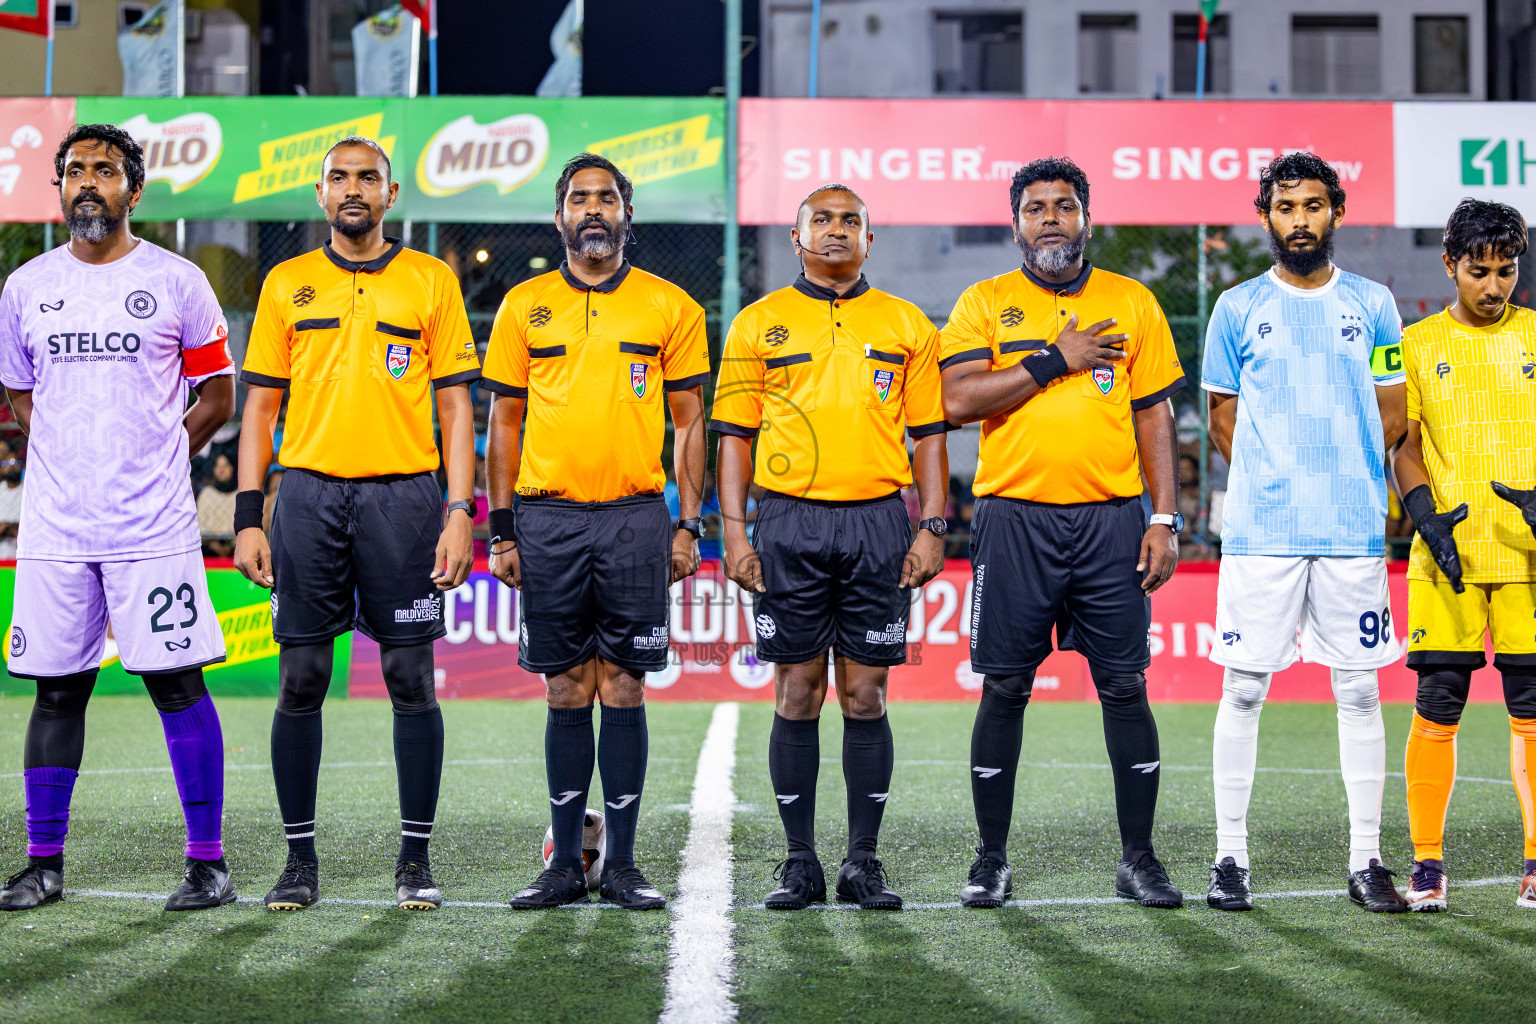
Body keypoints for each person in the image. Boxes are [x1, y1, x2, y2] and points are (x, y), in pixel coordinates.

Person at [234, 135, 480, 912]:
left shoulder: (431, 281)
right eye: (338, 177)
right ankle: (299, 862)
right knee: (301, 678)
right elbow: (260, 409)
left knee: (410, 678)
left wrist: (460, 511)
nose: (352, 189)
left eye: (366, 177)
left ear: (390, 192)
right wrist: (250, 517)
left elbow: (454, 408)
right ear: (319, 193)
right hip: (306, 499)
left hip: (405, 501)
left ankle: (414, 859)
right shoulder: (287, 283)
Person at [0, 124, 236, 912]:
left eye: (105, 171)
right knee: (56, 692)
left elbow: (218, 396)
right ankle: (42, 864)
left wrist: (163, 455)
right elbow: (23, 396)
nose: (88, 183)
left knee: (176, 684)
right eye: (75, 171)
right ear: (59, 188)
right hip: (58, 530)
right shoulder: (26, 286)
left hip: (153, 528)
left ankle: (208, 863)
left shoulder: (178, 281)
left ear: (135, 190)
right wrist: (71, 458)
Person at [940, 157, 1186, 910]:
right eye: (1037, 207)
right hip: (1014, 520)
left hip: (1112, 521)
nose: (1051, 218)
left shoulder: (1131, 301)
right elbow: (955, 399)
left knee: (1123, 684)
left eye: (1065, 206)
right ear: (1015, 222)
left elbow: (1154, 415)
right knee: (1006, 686)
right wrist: (1056, 360)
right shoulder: (984, 302)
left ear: (1086, 218)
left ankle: (1139, 859)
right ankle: (990, 860)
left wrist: (1164, 517)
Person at [711, 183, 949, 911]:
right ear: (796, 236)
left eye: (852, 221)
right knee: (797, 690)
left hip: (878, 520)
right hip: (788, 523)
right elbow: (734, 437)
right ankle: (799, 862)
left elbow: (931, 435)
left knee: (865, 694)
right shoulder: (758, 323)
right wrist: (733, 529)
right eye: (823, 219)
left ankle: (863, 863)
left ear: (870, 241)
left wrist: (932, 524)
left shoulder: (907, 324)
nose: (837, 230)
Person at [482, 153, 709, 910]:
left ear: (626, 215)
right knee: (565, 685)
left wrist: (689, 524)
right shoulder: (523, 306)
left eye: (606, 198)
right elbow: (503, 424)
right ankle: (561, 865)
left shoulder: (671, 307)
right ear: (559, 217)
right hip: (547, 519)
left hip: (634, 519)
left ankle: (621, 865)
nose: (592, 209)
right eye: (578, 198)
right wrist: (502, 531)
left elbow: (688, 425)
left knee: (623, 683)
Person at [1202, 152, 1409, 913]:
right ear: (1266, 217)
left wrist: (1349, 473)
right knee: (1245, 688)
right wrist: (1272, 475)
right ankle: (1230, 859)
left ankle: (1366, 861)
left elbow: (1393, 408)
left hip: (1352, 526)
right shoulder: (1234, 307)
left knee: (1358, 688)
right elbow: (1221, 414)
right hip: (1263, 531)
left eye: (1313, 205)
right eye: (1286, 207)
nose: (1300, 220)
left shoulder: (1377, 305)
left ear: (1336, 212)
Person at [1391, 199, 1536, 911]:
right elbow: (1403, 443)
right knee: (1437, 702)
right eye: (1478, 271)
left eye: (1506, 271)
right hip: (1443, 554)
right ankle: (1426, 865)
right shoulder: (1415, 343)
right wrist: (1422, 513)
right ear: (1450, 265)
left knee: (1533, 708)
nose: (1493, 287)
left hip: (1527, 557)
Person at [195, 453, 238, 556]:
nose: (221, 470)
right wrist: (213, 543)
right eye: (218, 466)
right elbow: (200, 524)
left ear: (233, 468)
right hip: (209, 546)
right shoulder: (206, 494)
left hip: (236, 546)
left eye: (225, 465)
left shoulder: (240, 494)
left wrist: (231, 544)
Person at [0, 442, 23, 560]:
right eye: (6, 463)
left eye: (15, 462)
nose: (11, 466)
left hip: (21, 548)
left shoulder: (28, 491)